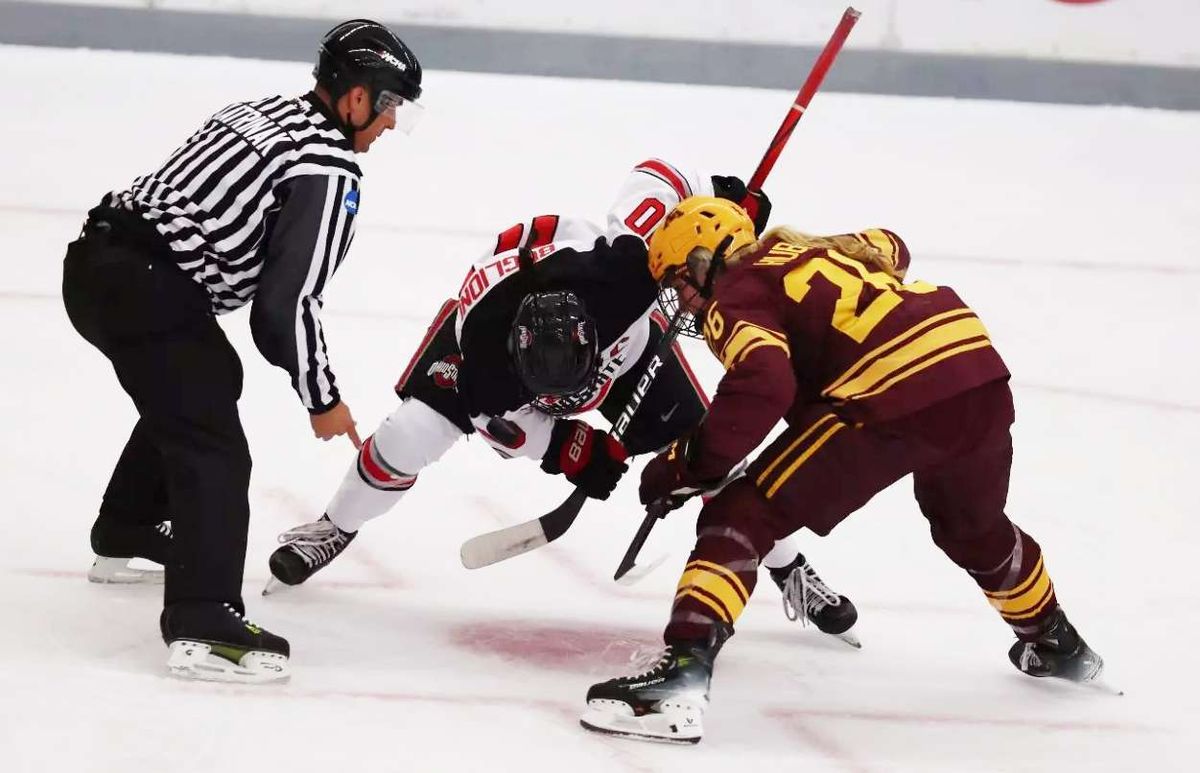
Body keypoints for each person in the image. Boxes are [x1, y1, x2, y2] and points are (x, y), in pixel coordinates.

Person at [580, 196, 1106, 744]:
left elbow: (764, 384)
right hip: (973, 368)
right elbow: (890, 243)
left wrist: (684, 464)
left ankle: (679, 681)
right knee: (972, 527)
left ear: (702, 262)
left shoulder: (733, 297)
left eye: (679, 283)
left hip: (893, 393)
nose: (684, 305)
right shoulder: (809, 248)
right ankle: (1055, 640)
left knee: (741, 515)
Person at [265, 159, 859, 643]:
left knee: (715, 456)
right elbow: (497, 422)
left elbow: (657, 174)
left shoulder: (637, 257)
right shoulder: (486, 361)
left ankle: (789, 568)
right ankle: (334, 526)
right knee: (407, 435)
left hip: (621, 342)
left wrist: (722, 201)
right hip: (498, 347)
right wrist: (568, 446)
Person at [61, 19, 423, 683]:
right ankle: (203, 620)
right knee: (215, 448)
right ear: (355, 99)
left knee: (205, 380)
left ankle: (128, 528)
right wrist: (323, 397)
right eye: (390, 105)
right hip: (146, 288)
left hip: (91, 264)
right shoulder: (327, 164)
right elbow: (284, 307)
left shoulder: (259, 111)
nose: (391, 126)